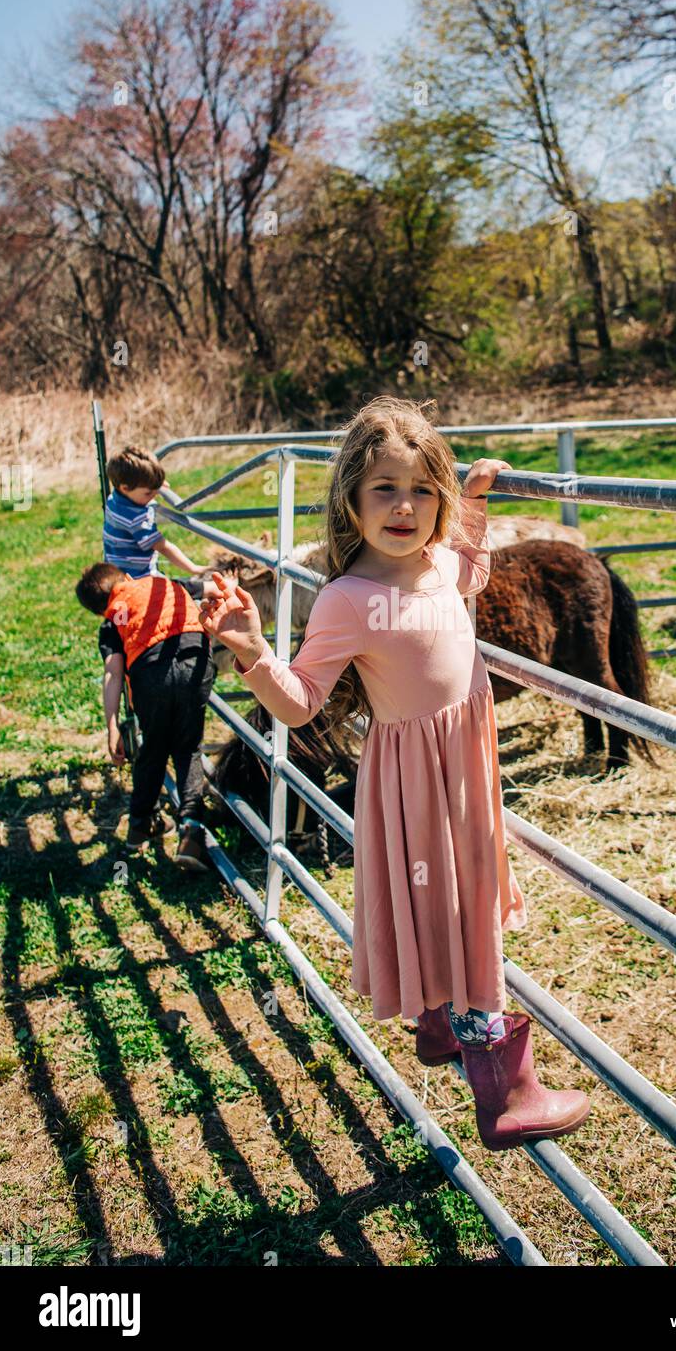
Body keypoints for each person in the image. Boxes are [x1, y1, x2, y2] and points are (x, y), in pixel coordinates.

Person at [198, 396, 590, 1151]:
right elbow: (303, 705)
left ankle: (441, 1019)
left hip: (465, 761)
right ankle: (506, 1093)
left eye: (421, 490)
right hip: (417, 782)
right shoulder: (348, 598)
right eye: (385, 488)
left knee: (454, 899)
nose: (404, 507)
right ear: (351, 497)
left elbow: (469, 578)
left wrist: (472, 504)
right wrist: (251, 650)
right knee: (464, 910)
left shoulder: (439, 562)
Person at [75, 563, 225, 872]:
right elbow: (212, 588)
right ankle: (191, 831)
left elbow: (113, 672)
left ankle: (141, 824)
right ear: (128, 578)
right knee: (188, 748)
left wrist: (112, 725)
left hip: (149, 674)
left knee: (153, 749)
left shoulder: (111, 621)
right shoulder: (164, 584)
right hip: (194, 659)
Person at [102, 444, 207, 578]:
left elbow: (140, 485)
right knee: (186, 592)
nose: (154, 494)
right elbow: (163, 547)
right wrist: (194, 568)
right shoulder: (135, 519)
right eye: (148, 492)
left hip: (117, 573)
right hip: (139, 578)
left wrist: (153, 483)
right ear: (125, 488)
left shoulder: (114, 499)